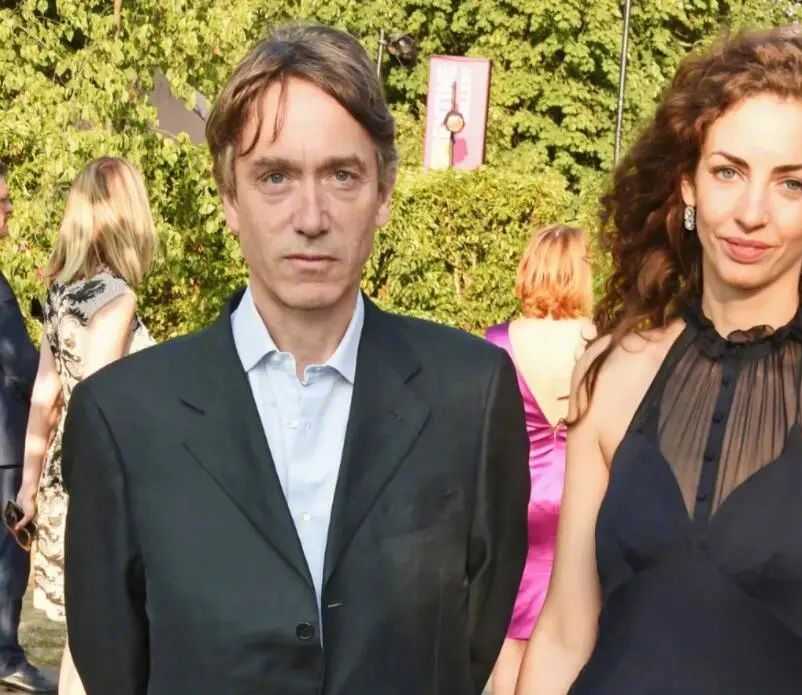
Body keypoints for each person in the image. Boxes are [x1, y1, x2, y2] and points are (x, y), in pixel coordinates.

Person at [60, 23, 530, 695]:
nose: (311, 216)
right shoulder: (123, 418)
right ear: (230, 197)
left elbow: (472, 637)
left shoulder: (470, 395)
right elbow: (115, 662)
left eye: (341, 175)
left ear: (383, 193)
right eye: (275, 177)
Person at [517, 27, 802, 694]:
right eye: (728, 171)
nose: (752, 212)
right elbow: (564, 632)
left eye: (791, 183)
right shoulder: (611, 369)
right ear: (688, 182)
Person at [15, 155, 158, 695]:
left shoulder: (62, 292)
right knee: (102, 639)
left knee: (82, 637)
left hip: (62, 475)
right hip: (102, 483)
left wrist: (28, 489)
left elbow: (45, 395)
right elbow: (100, 404)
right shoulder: (116, 297)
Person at [484, 224, 595, 695]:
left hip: (518, 497)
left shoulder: (497, 341)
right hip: (581, 495)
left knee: (510, 637)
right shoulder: (600, 343)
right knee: (574, 627)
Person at [0, 163, 57, 693]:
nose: (10, 209)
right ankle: (5, 657)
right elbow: (19, 366)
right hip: (6, 445)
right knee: (8, 556)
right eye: (1, 201)